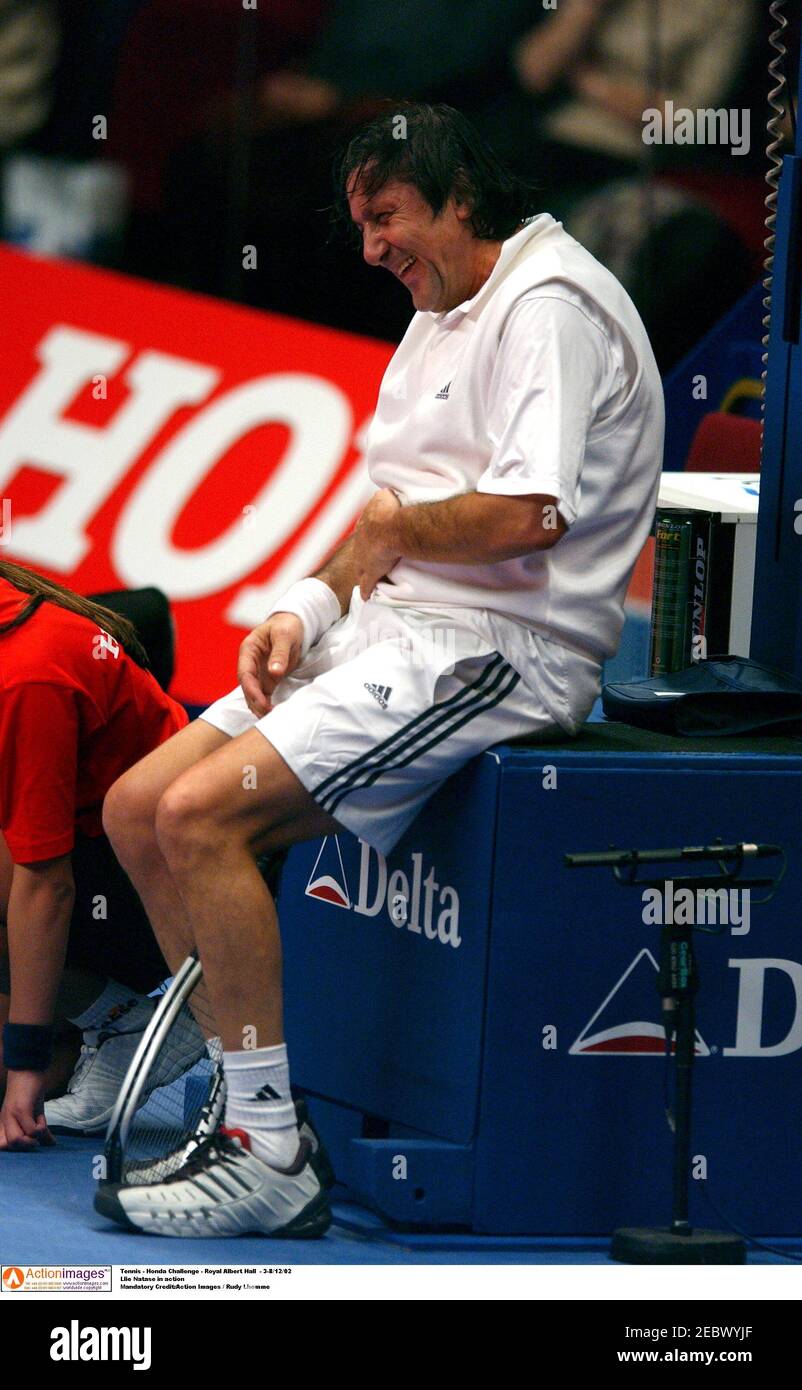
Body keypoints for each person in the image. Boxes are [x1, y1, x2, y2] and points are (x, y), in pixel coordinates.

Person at [96, 102, 665, 1239]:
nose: (369, 249)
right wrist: (304, 609)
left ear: (461, 198)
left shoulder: (546, 307)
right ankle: (242, 1100)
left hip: (503, 653)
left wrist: (394, 543)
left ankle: (269, 1153)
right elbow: (382, 517)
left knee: (203, 818)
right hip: (398, 633)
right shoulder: (441, 311)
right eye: (359, 224)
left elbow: (523, 514)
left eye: (386, 217)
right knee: (137, 805)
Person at [0, 561, 193, 1151]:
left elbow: (44, 884)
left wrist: (22, 1069)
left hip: (158, 886)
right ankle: (83, 1030)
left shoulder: (27, 679)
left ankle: (119, 1017)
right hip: (93, 853)